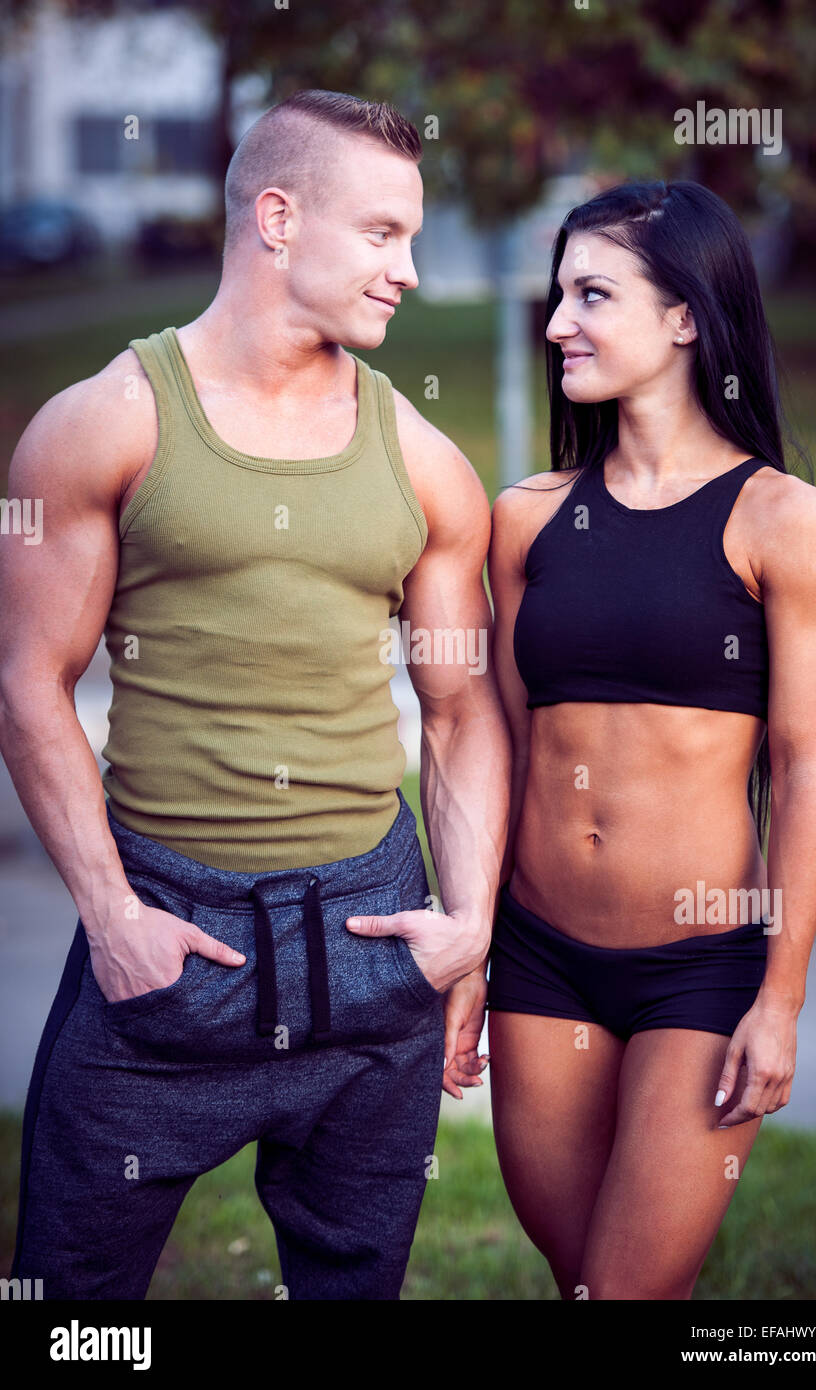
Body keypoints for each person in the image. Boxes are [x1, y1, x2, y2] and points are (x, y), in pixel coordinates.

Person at [1, 89, 510, 1300]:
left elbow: (459, 713)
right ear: (277, 218)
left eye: (412, 237)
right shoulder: (101, 427)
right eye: (382, 233)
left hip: (371, 936)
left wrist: (468, 928)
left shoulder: (429, 466)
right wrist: (114, 917)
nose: (407, 271)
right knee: (71, 1306)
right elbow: (29, 683)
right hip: (169, 936)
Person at [467, 179, 816, 1300]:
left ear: (684, 316)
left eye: (591, 294)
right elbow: (496, 742)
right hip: (536, 963)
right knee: (587, 1281)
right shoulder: (525, 516)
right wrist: (469, 947)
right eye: (555, 295)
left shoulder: (780, 520)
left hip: (701, 972)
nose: (555, 325)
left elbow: (805, 767)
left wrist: (776, 999)